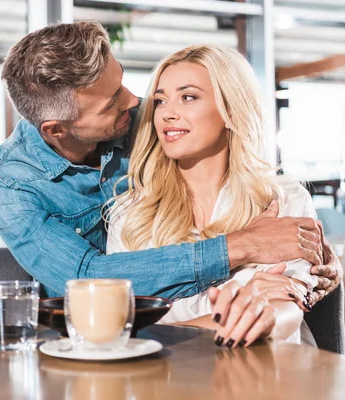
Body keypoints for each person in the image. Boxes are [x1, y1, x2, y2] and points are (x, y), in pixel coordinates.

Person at [0, 21, 341, 304]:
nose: (137, 102)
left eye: (121, 82)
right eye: (111, 101)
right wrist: (241, 246)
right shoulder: (6, 184)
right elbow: (89, 279)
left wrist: (320, 267)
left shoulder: (153, 123)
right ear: (57, 129)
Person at [107, 44, 323, 347]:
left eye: (188, 97)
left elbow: (286, 308)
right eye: (160, 101)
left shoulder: (282, 199)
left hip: (267, 377)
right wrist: (234, 317)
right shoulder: (130, 213)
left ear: (230, 110)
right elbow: (115, 327)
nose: (168, 113)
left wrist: (267, 315)